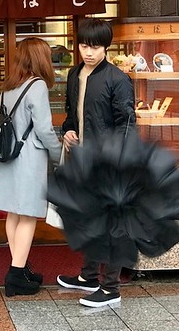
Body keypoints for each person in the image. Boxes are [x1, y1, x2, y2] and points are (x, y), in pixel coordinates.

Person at [56, 18, 135, 308]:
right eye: (84, 46)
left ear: (106, 47)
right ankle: (89, 276)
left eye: (95, 47)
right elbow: (70, 114)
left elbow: (127, 124)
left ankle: (111, 287)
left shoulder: (117, 79)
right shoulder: (74, 75)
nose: (88, 52)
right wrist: (68, 131)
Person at [0, 38, 62, 297]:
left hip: (9, 157)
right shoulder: (37, 86)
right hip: (29, 159)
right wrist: (58, 155)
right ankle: (15, 275)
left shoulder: (8, 87)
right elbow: (44, 129)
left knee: (14, 213)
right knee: (29, 216)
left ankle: (20, 269)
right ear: (40, 58)